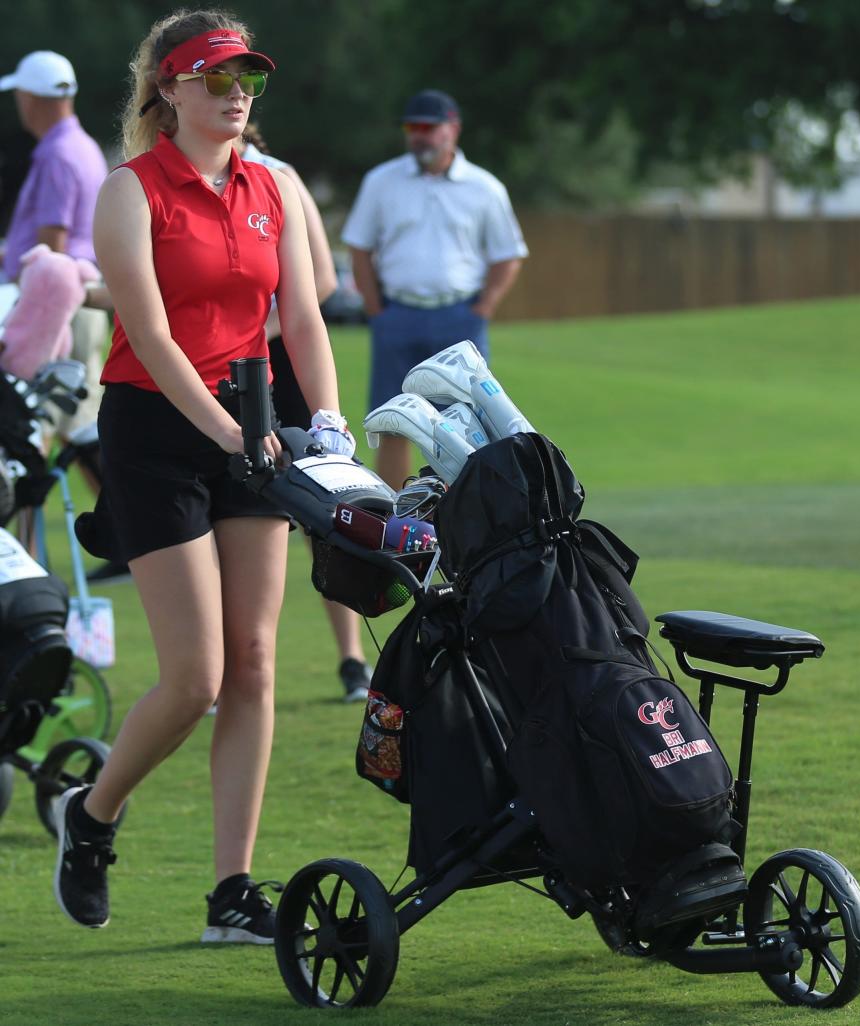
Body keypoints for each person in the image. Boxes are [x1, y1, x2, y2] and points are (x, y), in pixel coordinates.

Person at [51, 9, 355, 943]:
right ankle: (91, 815)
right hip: (155, 426)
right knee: (195, 677)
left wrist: (329, 425)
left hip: (254, 422)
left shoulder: (271, 186)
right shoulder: (129, 192)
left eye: (247, 81)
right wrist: (232, 432)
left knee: (256, 663)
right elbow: (144, 331)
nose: (235, 96)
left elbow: (302, 318)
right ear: (170, 89)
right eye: (216, 79)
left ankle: (233, 896)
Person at [241, 126, 373, 702]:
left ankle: (351, 658)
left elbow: (320, 280)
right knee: (236, 512)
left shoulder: (278, 177)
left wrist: (252, 335)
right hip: (222, 368)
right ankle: (234, 663)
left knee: (322, 510)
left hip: (283, 359)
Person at [342, 89, 528, 490]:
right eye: (413, 128)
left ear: (453, 129)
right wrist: (376, 309)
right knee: (391, 420)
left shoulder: (484, 187)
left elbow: (508, 254)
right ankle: (399, 516)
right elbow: (359, 246)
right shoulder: (382, 181)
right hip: (397, 314)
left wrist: (484, 307)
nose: (420, 136)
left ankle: (466, 514)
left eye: (429, 127)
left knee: (469, 423)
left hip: (459, 317)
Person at [0, 50, 124, 580]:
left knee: (29, 423)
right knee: (77, 419)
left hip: (57, 300)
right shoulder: (82, 146)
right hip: (82, 295)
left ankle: (24, 552)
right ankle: (122, 534)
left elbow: (50, 244)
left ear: (33, 98)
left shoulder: (55, 154)